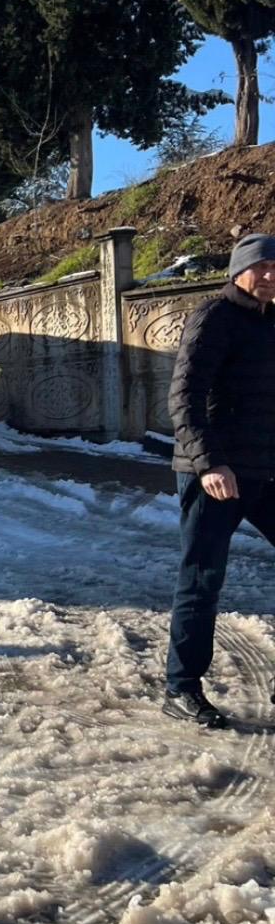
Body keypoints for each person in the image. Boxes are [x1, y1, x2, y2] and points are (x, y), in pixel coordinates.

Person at [166, 233, 275, 727]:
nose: (271, 275)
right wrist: (210, 463)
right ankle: (182, 688)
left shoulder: (270, 323)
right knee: (202, 580)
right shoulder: (214, 317)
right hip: (215, 474)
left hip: (265, 471)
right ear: (238, 270)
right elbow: (184, 397)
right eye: (262, 266)